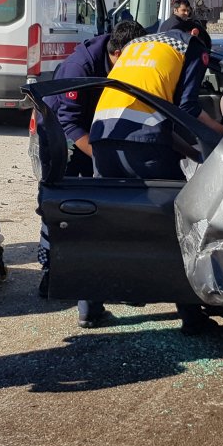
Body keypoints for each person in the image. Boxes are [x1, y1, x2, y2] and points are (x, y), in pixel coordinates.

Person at [89, 19, 223, 333]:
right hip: (141, 142)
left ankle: (89, 307)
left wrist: (193, 154)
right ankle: (191, 317)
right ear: (196, 35)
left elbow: (156, 118)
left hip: (102, 136)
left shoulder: (139, 46)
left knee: (110, 222)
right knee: (178, 228)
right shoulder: (190, 46)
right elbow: (188, 109)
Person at [35, 21, 148, 326]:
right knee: (63, 208)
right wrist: (103, 158)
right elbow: (69, 125)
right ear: (117, 54)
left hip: (94, 132)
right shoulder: (80, 67)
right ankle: (52, 275)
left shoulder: (122, 62)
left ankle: (101, 289)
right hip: (62, 138)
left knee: (98, 212)